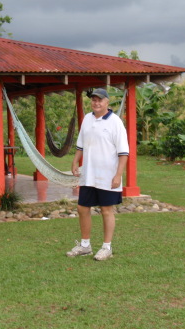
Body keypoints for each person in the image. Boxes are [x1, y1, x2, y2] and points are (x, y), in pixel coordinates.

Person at [67, 88, 129, 261]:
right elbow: (81, 145)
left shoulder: (115, 122)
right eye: (94, 100)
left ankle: (106, 247)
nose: (96, 103)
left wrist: (118, 175)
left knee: (106, 210)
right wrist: (75, 161)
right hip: (89, 174)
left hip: (108, 176)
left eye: (100, 100)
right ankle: (85, 245)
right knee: (82, 208)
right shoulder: (87, 119)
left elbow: (123, 152)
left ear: (107, 102)